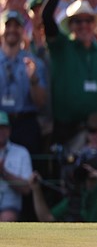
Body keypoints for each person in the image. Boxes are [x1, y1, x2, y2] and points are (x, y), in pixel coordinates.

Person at [43, 0, 97, 145]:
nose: (84, 25)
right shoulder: (61, 45)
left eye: (88, 20)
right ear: (71, 25)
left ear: (94, 24)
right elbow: (46, 17)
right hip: (65, 129)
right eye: (78, 21)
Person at [30, 146, 97, 223]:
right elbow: (47, 218)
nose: (89, 170)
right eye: (86, 166)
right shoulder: (79, 193)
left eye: (93, 165)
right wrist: (36, 189)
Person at [0, 10, 47, 151]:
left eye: (17, 26)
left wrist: (33, 80)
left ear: (23, 30)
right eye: (8, 26)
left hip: (25, 124)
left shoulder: (34, 63)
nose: (12, 30)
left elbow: (40, 102)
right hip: (1, 123)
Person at [0, 111, 32, 221]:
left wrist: (4, 173)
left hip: (10, 206)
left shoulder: (21, 152)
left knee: (7, 217)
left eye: (3, 128)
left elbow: (27, 188)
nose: (1, 131)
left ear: (9, 130)